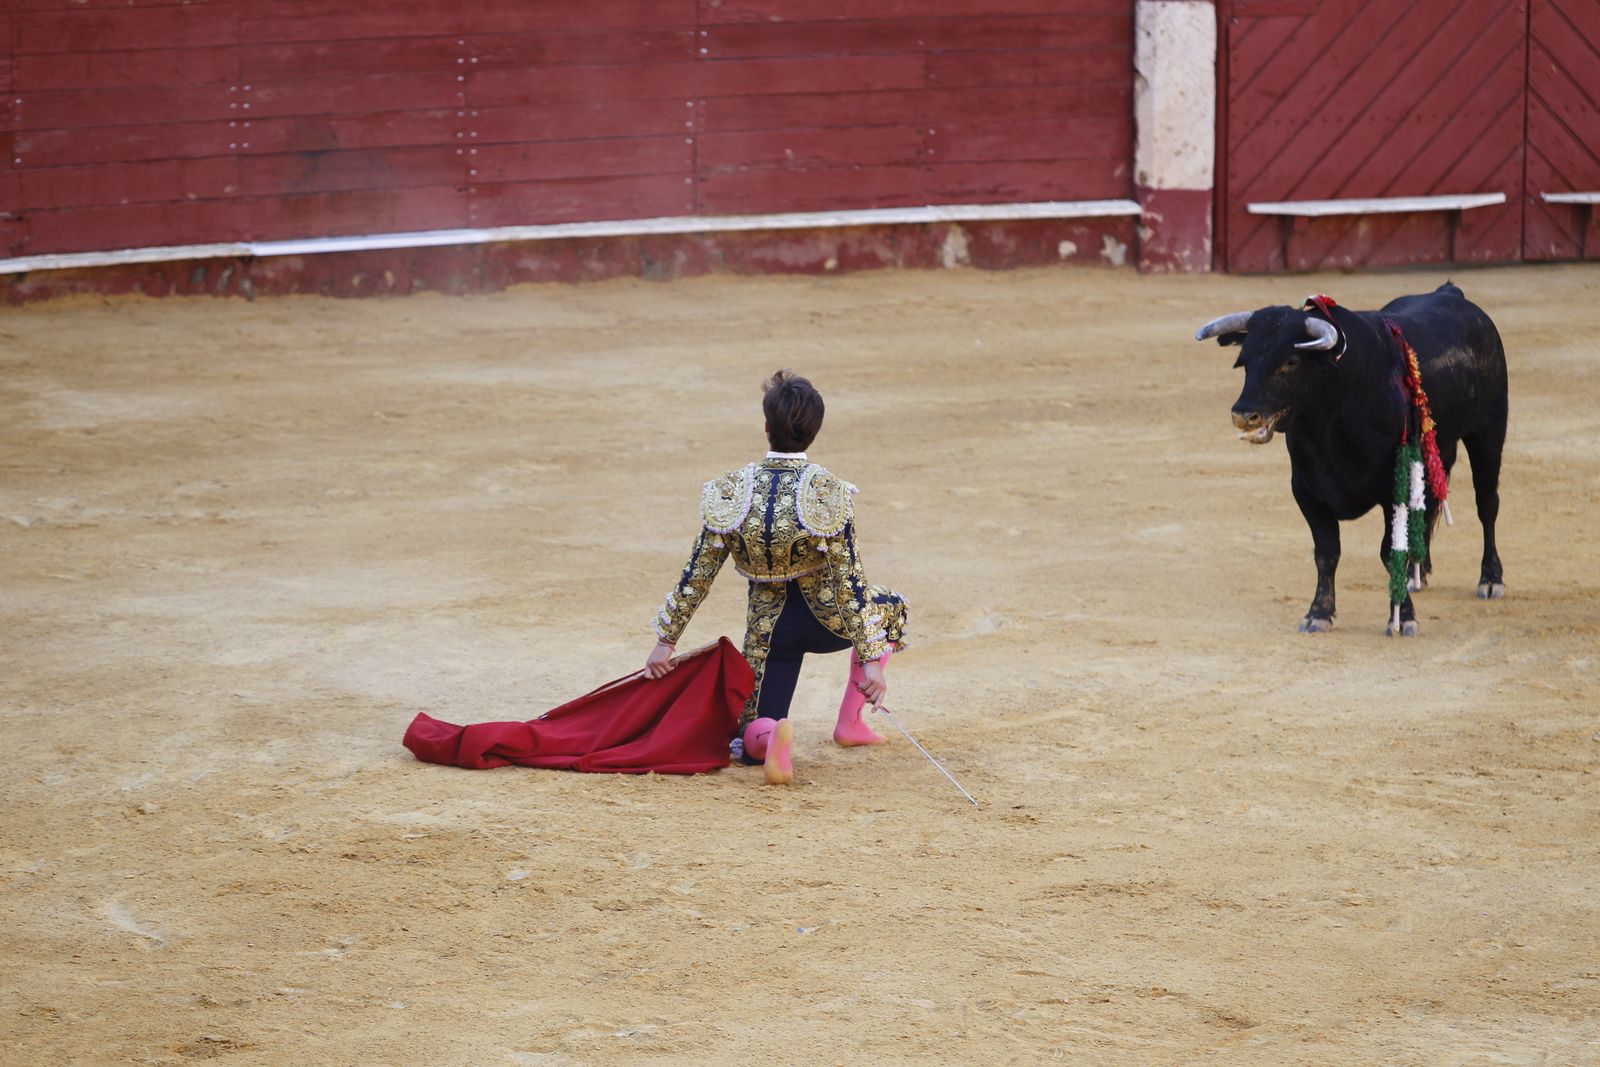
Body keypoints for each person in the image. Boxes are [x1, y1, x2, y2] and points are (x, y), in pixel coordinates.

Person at [643, 370, 907, 786]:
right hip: (825, 622)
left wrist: (666, 641)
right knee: (891, 606)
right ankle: (851, 723)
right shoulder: (828, 492)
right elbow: (849, 583)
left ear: (766, 427)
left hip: (769, 633)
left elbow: (698, 575)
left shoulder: (731, 491)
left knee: (757, 726)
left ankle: (769, 742)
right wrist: (872, 661)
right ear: (814, 431)